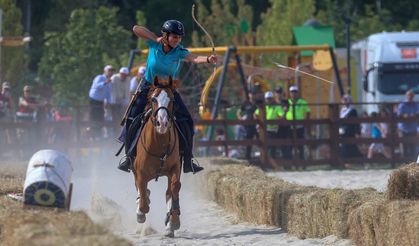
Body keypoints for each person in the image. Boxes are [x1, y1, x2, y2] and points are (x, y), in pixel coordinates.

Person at [117, 20, 217, 173]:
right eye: (174, 37)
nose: (177, 40)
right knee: (132, 116)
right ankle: (129, 156)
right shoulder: (154, 44)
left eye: (179, 37)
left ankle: (188, 159)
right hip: (148, 86)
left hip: (169, 89)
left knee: (188, 120)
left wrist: (208, 59)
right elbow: (136, 28)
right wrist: (155, 38)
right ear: (166, 35)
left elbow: (194, 58)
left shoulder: (179, 51)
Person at [255, 91, 284, 159]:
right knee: (265, 146)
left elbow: (281, 116)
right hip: (264, 130)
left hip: (273, 130)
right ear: (265, 99)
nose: (269, 100)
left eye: (270, 98)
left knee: (272, 146)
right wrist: (259, 120)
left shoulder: (277, 107)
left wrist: (275, 121)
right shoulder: (263, 107)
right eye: (267, 98)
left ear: (272, 99)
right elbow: (255, 114)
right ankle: (266, 162)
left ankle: (272, 163)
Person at [285, 85, 311, 162]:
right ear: (289, 93)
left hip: (300, 126)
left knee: (301, 145)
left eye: (295, 92)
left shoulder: (302, 102)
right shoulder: (287, 102)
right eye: (292, 92)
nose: (293, 93)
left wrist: (306, 122)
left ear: (297, 93)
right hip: (289, 127)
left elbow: (308, 112)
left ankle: (302, 162)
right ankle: (290, 162)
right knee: (289, 145)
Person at [88, 65, 113, 139]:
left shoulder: (109, 81)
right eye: (109, 70)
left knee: (100, 117)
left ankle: (98, 135)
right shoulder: (100, 77)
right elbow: (95, 86)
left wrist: (108, 102)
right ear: (105, 71)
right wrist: (105, 82)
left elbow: (108, 93)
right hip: (94, 100)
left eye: (112, 71)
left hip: (101, 102)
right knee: (94, 117)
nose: (111, 72)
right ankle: (93, 136)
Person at [396, 89, 419, 157]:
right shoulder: (402, 105)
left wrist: (412, 115)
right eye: (409, 95)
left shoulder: (416, 105)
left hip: (413, 129)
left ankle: (412, 163)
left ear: (413, 96)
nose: (410, 96)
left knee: (413, 147)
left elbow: (418, 112)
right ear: (406, 96)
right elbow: (399, 114)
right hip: (403, 129)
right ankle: (404, 163)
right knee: (403, 146)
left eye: (411, 95)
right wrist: (405, 115)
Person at [236, 92, 258, 159]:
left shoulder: (257, 103)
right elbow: (239, 112)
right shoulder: (246, 103)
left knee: (260, 140)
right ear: (249, 95)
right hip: (248, 125)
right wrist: (240, 119)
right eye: (251, 94)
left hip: (257, 124)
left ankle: (262, 156)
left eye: (253, 94)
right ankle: (248, 157)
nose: (252, 96)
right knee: (249, 140)